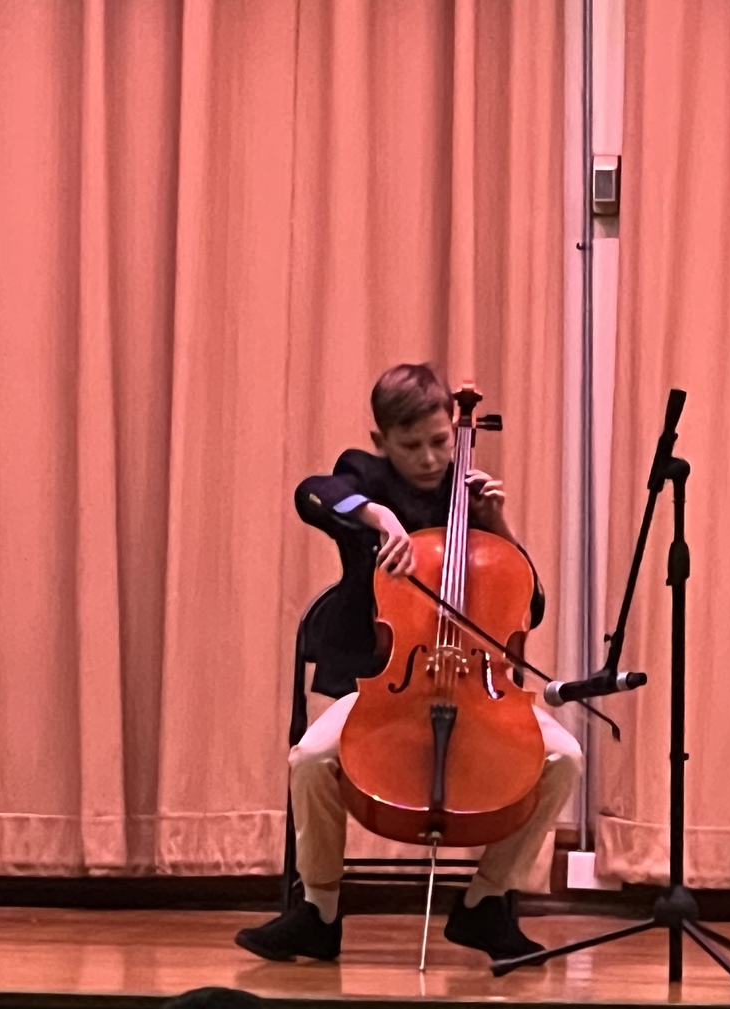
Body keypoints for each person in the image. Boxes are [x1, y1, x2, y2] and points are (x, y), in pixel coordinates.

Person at [234, 363, 583, 964]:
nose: (428, 458)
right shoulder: (362, 475)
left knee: (562, 759)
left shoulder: (467, 497)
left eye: (440, 441)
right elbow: (311, 493)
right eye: (410, 445)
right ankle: (317, 912)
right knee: (313, 760)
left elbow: (533, 603)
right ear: (381, 442)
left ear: (454, 429)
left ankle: (485, 902)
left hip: (477, 690)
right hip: (387, 684)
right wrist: (380, 517)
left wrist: (497, 522)